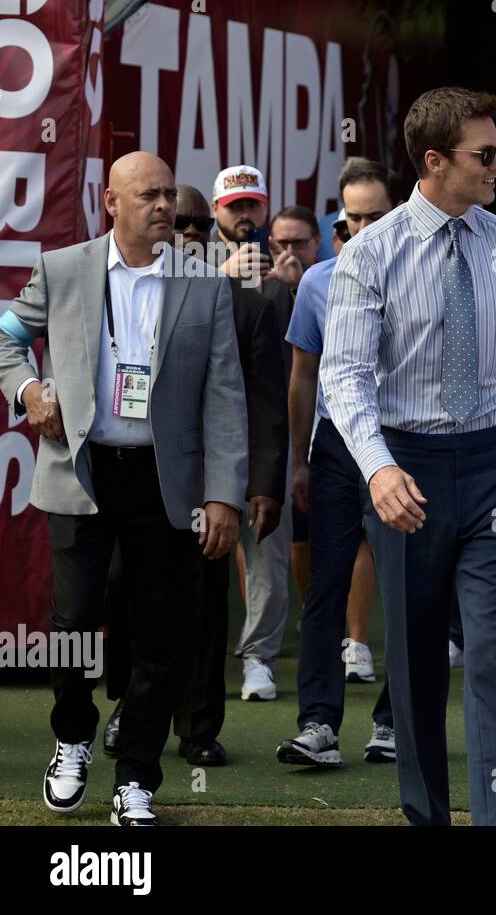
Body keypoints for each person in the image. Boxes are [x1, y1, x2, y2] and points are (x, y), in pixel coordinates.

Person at [321, 86, 496, 826]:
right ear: (434, 161)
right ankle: (426, 817)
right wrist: (378, 467)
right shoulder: (369, 253)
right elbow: (344, 376)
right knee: (417, 662)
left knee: (493, 656)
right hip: (406, 470)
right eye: (483, 155)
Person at [0, 152, 247, 825]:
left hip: (164, 480)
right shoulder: (65, 269)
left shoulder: (206, 285)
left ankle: (136, 774)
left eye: (169, 194)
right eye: (149, 196)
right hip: (81, 470)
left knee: (161, 632)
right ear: (112, 204)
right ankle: (73, 738)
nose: (164, 206)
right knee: (75, 621)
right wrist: (27, 390)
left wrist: (224, 494)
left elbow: (226, 397)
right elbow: (5, 337)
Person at [101, 184, 287, 768]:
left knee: (204, 604)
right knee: (121, 593)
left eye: (193, 223)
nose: (181, 230)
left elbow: (264, 403)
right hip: (129, 472)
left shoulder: (242, 302)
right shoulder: (117, 288)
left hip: (208, 480)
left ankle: (199, 728)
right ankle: (129, 708)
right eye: (171, 219)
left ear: (210, 231)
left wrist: (260, 484)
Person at [278, 157, 399, 766]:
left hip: (404, 448)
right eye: (350, 219)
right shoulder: (318, 283)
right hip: (335, 451)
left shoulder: (420, 274)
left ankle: (393, 724)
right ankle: (318, 725)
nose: (361, 229)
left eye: (373, 217)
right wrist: (298, 461)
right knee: (323, 587)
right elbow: (302, 379)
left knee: (409, 587)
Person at [211, 165, 302, 702]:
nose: (244, 216)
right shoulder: (189, 262)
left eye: (253, 205)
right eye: (234, 206)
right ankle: (197, 660)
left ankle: (258, 657)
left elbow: (302, 361)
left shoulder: (288, 267)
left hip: (266, 432)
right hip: (206, 436)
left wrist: (287, 288)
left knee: (267, 546)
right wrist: (224, 276)